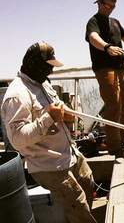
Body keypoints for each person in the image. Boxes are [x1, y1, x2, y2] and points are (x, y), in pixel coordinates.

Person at [1, 42, 97, 223]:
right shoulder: (17, 94)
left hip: (69, 153)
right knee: (78, 202)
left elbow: (57, 109)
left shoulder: (43, 82)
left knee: (88, 180)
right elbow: (17, 140)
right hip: (49, 164)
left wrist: (66, 114)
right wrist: (48, 117)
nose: (51, 71)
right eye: (48, 66)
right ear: (35, 64)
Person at [85, 0, 124, 159]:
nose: (110, 8)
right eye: (107, 4)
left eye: (113, 5)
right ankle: (114, 147)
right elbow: (93, 37)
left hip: (120, 68)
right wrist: (106, 47)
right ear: (99, 3)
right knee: (113, 105)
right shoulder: (93, 21)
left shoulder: (116, 22)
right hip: (104, 68)